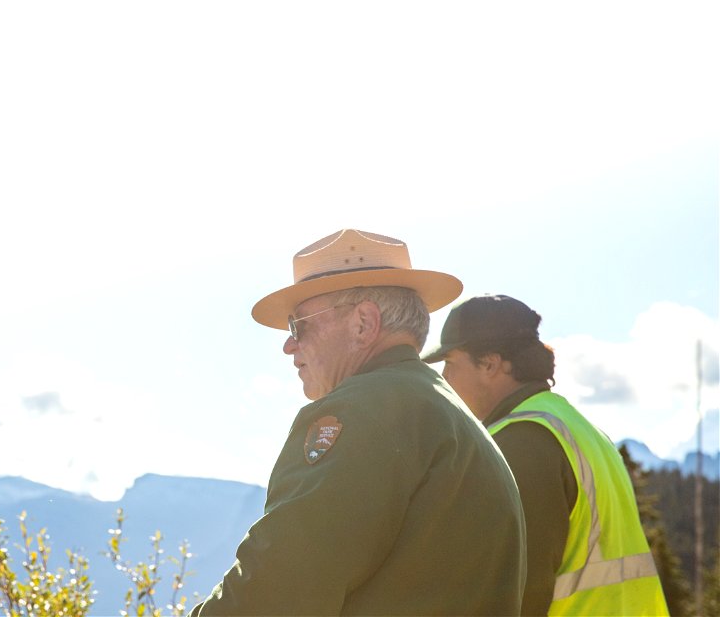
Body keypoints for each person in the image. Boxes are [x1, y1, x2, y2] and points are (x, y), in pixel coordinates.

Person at [190, 229, 527, 616]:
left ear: (364, 323)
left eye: (299, 325)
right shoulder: (445, 412)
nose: (289, 345)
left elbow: (275, 589)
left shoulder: (363, 411)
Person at [422, 294, 669, 616]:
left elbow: (515, 591)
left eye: (451, 364)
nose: (445, 378)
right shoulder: (580, 430)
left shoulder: (522, 441)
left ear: (490, 364)